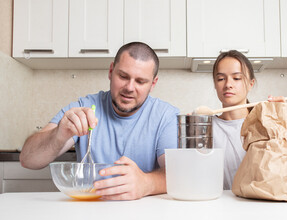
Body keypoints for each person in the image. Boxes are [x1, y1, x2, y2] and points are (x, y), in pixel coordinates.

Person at [20, 42, 179, 200]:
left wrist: (147, 183)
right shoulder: (84, 107)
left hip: (147, 214)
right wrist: (58, 135)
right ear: (111, 71)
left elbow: (179, 174)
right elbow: (28, 160)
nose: (130, 87)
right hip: (90, 209)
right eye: (123, 76)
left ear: (153, 84)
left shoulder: (166, 117)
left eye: (140, 81)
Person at [211, 50, 287, 190]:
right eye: (221, 79)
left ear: (251, 83)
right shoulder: (204, 129)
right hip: (223, 206)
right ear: (215, 84)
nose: (228, 84)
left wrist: (284, 122)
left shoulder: (266, 121)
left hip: (267, 205)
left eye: (237, 78)